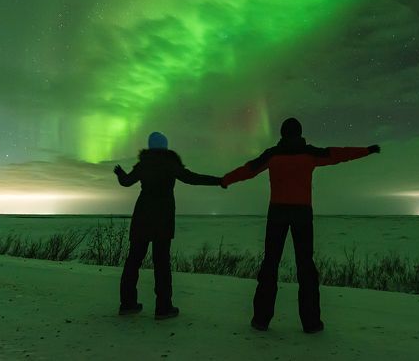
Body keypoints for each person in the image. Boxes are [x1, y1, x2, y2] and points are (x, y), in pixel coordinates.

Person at [221, 117, 381, 333]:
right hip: (302, 214)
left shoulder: (273, 154)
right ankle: (311, 323)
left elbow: (249, 169)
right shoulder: (309, 153)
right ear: (299, 133)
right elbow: (338, 154)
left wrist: (226, 180)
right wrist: (367, 150)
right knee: (305, 266)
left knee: (270, 264)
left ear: (282, 133)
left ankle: (261, 320)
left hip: (277, 212)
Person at [114, 131, 222, 319]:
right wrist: (218, 181)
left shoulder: (143, 165)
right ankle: (163, 307)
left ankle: (127, 304)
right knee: (162, 262)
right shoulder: (170, 164)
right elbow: (192, 179)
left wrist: (119, 173)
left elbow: (126, 182)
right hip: (162, 219)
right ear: (165, 146)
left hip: (142, 217)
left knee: (133, 260)